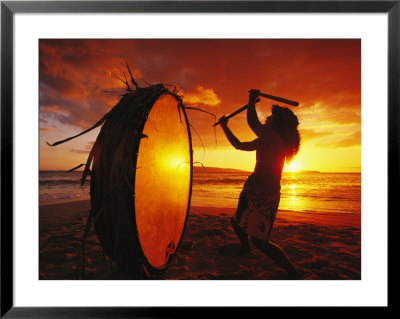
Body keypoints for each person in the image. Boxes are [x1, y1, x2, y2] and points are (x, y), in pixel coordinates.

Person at [218, 89, 302, 279]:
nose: (266, 120)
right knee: (236, 222)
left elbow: (252, 122)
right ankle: (245, 248)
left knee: (261, 241)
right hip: (252, 187)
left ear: (277, 124)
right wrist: (225, 126)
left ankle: (294, 273)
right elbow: (239, 145)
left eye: (270, 118)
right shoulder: (265, 140)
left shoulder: (275, 140)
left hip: (266, 193)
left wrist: (250, 100)